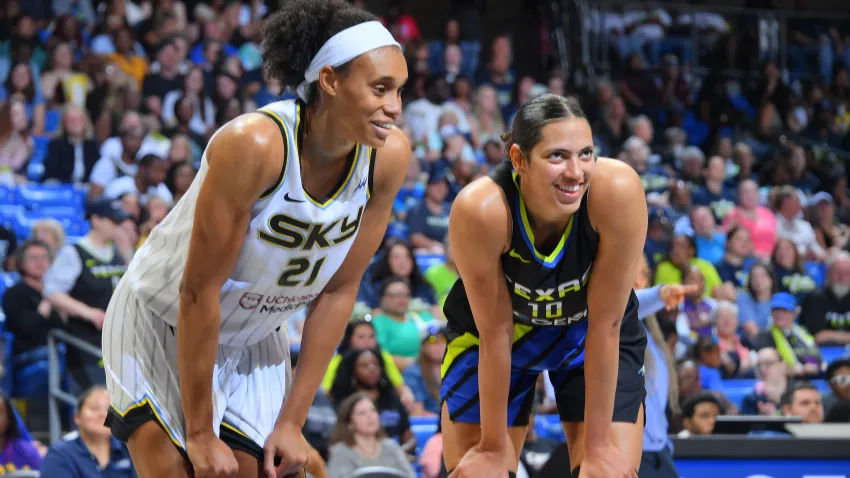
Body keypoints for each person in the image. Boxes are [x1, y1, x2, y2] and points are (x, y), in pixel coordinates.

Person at [100, 1, 410, 477]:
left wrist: (293, 421)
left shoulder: (387, 158)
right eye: (380, 88)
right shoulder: (255, 145)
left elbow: (340, 289)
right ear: (330, 80)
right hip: (165, 318)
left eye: (399, 90)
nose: (395, 107)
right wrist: (200, 434)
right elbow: (197, 291)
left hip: (257, 333)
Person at [440, 94, 648, 478]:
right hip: (500, 336)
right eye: (557, 156)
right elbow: (495, 333)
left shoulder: (617, 192)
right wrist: (491, 447)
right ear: (519, 159)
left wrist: (599, 447)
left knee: (605, 471)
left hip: (590, 333)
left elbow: (606, 326)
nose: (576, 171)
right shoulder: (482, 209)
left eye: (586, 153)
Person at [40, 387, 136, 477]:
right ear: (77, 417)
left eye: (110, 409)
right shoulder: (60, 453)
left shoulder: (129, 449)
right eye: (95, 408)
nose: (103, 414)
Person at [326, 392, 415, 478]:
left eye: (373, 411)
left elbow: (410, 476)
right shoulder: (341, 452)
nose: (370, 416)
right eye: (362, 413)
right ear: (350, 423)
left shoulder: (391, 447)